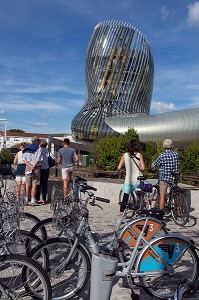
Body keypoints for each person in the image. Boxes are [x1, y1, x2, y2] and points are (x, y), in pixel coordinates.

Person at [117, 139, 145, 214]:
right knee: (140, 195)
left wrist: (122, 170)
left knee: (125, 197)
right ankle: (140, 210)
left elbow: (119, 167)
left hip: (129, 180)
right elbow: (143, 168)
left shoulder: (124, 155)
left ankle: (121, 214)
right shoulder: (139, 155)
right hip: (138, 179)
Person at [152, 139, 179, 211]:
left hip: (164, 178)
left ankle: (161, 213)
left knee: (162, 195)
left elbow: (155, 164)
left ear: (164, 146)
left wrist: (153, 166)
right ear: (171, 146)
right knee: (175, 193)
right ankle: (178, 212)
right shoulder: (175, 154)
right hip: (174, 177)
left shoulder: (162, 155)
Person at [23, 136, 42, 206]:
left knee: (27, 184)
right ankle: (33, 200)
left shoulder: (26, 148)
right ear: (37, 142)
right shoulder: (39, 149)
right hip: (36, 167)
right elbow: (38, 159)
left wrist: (30, 166)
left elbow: (24, 159)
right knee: (34, 184)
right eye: (39, 141)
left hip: (28, 167)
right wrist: (33, 166)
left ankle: (26, 199)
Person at [36, 139, 54, 205]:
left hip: (39, 168)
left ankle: (37, 199)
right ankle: (44, 199)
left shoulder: (38, 150)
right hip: (46, 168)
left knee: (38, 184)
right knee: (44, 184)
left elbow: (37, 158)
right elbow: (53, 158)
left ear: (40, 144)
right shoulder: (48, 150)